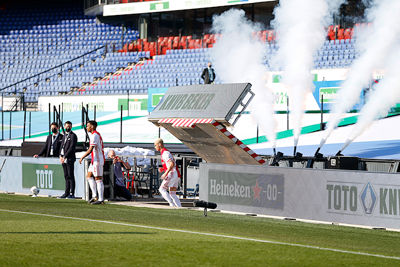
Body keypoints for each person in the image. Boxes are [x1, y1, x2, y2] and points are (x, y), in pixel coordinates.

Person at [79, 121, 105, 205]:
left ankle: (100, 199)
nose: (87, 127)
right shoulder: (94, 135)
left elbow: (90, 149)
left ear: (92, 127)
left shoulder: (95, 135)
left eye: (88, 126)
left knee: (98, 179)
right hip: (94, 160)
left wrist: (82, 157)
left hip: (97, 160)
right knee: (89, 176)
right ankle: (94, 196)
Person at [154, 138, 181, 207]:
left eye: (155, 145)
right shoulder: (165, 153)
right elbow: (170, 164)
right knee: (172, 193)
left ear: (159, 144)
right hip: (176, 174)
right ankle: (179, 207)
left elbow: (171, 164)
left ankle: (171, 204)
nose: (155, 147)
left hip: (172, 173)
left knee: (161, 189)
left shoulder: (165, 153)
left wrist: (165, 173)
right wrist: (163, 169)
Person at [58, 121, 78, 199]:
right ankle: (66, 192)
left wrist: (65, 156)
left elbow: (71, 147)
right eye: (66, 126)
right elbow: (62, 146)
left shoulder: (73, 136)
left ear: (71, 127)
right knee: (66, 176)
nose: (68, 127)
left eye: (69, 126)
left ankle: (72, 193)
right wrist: (60, 155)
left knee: (70, 175)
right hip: (63, 158)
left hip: (69, 158)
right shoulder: (64, 136)